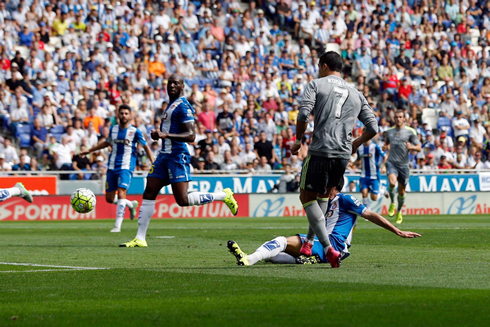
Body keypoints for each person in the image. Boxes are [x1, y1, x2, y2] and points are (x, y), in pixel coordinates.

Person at [120, 74, 239, 248]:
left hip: (177, 156)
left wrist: (165, 135)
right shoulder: (171, 105)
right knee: (149, 191)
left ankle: (223, 195)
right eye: (170, 83)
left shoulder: (184, 107)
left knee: (182, 200)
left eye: (176, 83)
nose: (172, 86)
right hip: (164, 155)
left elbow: (191, 136)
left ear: (182, 86)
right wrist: (158, 135)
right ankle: (140, 238)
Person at [290, 51, 378, 268]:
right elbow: (373, 127)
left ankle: (329, 249)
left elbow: (303, 115)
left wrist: (298, 139)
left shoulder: (316, 84)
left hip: (321, 150)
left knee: (306, 198)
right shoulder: (356, 92)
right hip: (342, 156)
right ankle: (309, 243)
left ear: (324, 65)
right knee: (322, 198)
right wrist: (355, 144)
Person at [227, 179, 420, 266]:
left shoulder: (345, 199)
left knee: (282, 241)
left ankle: (248, 260)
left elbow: (371, 215)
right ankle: (309, 259)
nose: (323, 188)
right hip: (321, 243)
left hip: (333, 244)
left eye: (327, 185)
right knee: (273, 256)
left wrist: (398, 231)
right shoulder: (322, 202)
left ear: (335, 187)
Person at [80, 105, 154, 233]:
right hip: (112, 166)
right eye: (122, 113)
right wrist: (89, 150)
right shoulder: (113, 130)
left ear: (130, 115)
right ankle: (131, 204)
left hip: (126, 166)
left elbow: (146, 146)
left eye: (126, 113)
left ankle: (117, 226)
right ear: (118, 115)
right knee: (109, 198)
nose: (124, 116)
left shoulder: (135, 131)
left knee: (121, 192)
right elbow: (107, 143)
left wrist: (153, 162)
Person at [383, 110, 422, 224]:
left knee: (401, 191)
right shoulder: (389, 132)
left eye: (400, 117)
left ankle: (399, 211)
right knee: (392, 183)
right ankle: (392, 203)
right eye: (396, 117)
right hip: (392, 162)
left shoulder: (410, 132)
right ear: (394, 119)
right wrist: (385, 147)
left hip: (404, 165)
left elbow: (419, 147)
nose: (398, 119)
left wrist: (412, 147)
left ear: (404, 119)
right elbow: (386, 144)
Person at [357, 139, 388, 210]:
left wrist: (383, 166)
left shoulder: (375, 146)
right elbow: (358, 160)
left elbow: (385, 156)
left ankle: (382, 190)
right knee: (364, 193)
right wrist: (351, 163)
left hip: (374, 175)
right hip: (363, 175)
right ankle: (368, 211)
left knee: (374, 198)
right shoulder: (360, 148)